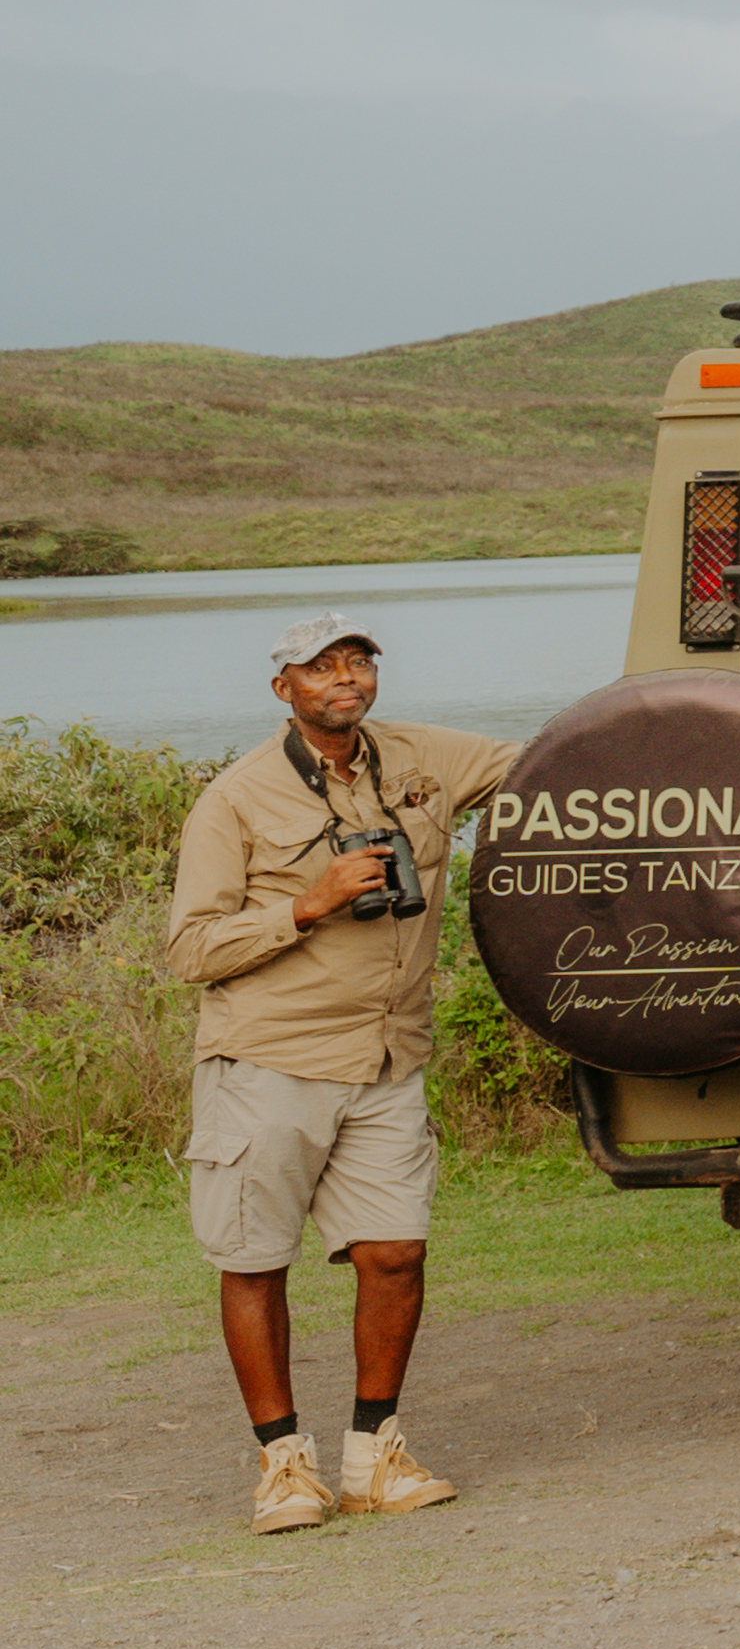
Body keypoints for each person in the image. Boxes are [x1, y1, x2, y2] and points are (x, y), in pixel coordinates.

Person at [163, 615, 516, 1538]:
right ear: (283, 687)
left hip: (388, 1056)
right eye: (319, 666)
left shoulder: (424, 757)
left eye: (356, 660)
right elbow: (190, 947)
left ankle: (373, 1457)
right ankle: (284, 1466)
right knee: (255, 1258)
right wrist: (306, 905)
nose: (343, 678)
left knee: (395, 1250)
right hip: (270, 1059)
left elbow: (543, 760)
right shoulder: (234, 799)